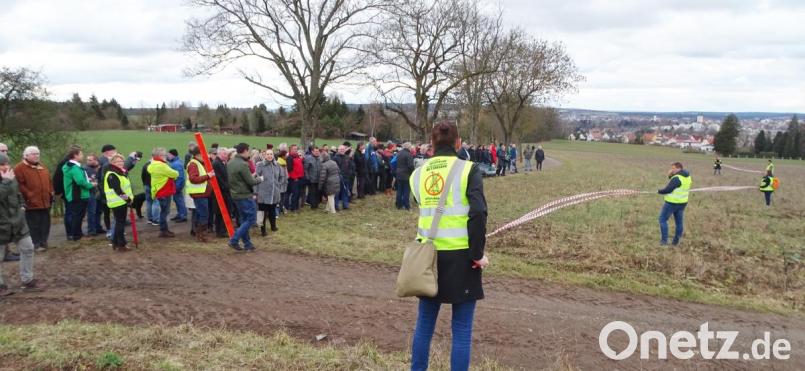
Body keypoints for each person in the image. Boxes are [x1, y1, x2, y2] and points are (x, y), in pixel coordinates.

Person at [408, 122, 488, 371]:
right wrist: (477, 255)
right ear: (458, 142)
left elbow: (421, 204)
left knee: (424, 326)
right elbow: (479, 213)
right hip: (462, 259)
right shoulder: (468, 170)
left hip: (427, 259)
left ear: (431, 144)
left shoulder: (418, 174)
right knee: (462, 330)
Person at [0, 152, 40, 296]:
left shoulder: (11, 178)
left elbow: (18, 194)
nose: (6, 167)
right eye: (2, 164)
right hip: (1, 224)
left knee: (28, 247)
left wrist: (22, 206)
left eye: (6, 164)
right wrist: (5, 182)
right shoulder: (7, 180)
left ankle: (27, 280)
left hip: (17, 222)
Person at [14, 146, 53, 252]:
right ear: (26, 155)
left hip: (45, 201)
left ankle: (43, 242)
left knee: (45, 223)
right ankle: (35, 243)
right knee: (33, 224)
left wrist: (50, 193)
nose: (36, 156)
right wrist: (29, 195)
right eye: (33, 154)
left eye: (37, 153)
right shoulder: (19, 168)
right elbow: (19, 185)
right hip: (31, 203)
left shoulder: (42, 167)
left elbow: (49, 181)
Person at [227, 143, 262, 251]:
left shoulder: (230, 163)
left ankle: (247, 244)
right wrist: (260, 179)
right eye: (248, 151)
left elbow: (238, 179)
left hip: (235, 194)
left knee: (244, 220)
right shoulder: (243, 164)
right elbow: (250, 181)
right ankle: (234, 240)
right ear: (245, 151)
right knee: (251, 219)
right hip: (245, 195)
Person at [62, 148, 96, 242]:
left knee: (79, 216)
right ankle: (76, 236)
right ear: (75, 155)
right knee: (77, 216)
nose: (82, 156)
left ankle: (78, 234)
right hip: (77, 195)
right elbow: (80, 181)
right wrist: (91, 185)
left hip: (80, 195)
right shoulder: (73, 168)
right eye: (81, 154)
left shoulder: (74, 166)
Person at [657, 162, 692, 246]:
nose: (671, 170)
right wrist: (670, 174)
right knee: (679, 223)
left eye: (673, 168)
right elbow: (676, 183)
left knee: (662, 219)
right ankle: (676, 242)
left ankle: (664, 241)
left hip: (672, 203)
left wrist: (659, 191)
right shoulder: (687, 177)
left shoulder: (677, 178)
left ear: (678, 168)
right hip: (682, 203)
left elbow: (668, 189)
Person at [147, 148, 179, 238]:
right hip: (164, 191)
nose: (165, 156)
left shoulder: (153, 164)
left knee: (163, 211)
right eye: (164, 155)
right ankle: (164, 230)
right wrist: (172, 175)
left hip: (159, 191)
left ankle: (164, 229)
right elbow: (175, 174)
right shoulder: (162, 165)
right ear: (159, 156)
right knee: (165, 212)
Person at [186, 146, 215, 242]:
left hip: (202, 193)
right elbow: (193, 179)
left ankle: (199, 234)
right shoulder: (193, 164)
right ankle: (202, 235)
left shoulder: (198, 163)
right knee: (204, 214)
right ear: (199, 154)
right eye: (204, 153)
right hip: (199, 193)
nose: (206, 155)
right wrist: (208, 176)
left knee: (200, 214)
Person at [103, 154, 133, 251]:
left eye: (121, 161)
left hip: (121, 202)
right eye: (117, 161)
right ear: (112, 163)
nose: (120, 163)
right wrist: (128, 199)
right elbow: (118, 191)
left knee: (119, 223)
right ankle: (121, 244)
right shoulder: (112, 174)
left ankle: (115, 242)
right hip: (118, 202)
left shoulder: (120, 172)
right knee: (120, 224)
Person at [255, 150, 284, 235]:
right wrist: (256, 192)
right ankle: (263, 230)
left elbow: (281, 177)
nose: (269, 156)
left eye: (271, 154)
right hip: (263, 193)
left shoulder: (277, 165)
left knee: (272, 210)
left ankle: (273, 226)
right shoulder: (260, 165)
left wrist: (278, 185)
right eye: (267, 154)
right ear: (265, 155)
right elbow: (256, 179)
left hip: (274, 192)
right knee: (263, 212)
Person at [211, 148, 233, 236]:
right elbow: (218, 178)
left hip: (224, 191)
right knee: (220, 212)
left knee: (225, 211)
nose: (226, 156)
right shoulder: (216, 163)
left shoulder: (222, 163)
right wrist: (226, 186)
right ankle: (220, 231)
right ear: (219, 154)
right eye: (224, 154)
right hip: (220, 192)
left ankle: (223, 229)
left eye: (227, 154)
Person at [83, 154, 105, 237]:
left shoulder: (100, 168)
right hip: (91, 192)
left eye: (91, 160)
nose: (88, 161)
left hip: (99, 193)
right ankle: (91, 230)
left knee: (99, 211)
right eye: (88, 160)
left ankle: (98, 227)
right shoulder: (85, 169)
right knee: (91, 212)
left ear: (96, 160)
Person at [167, 149, 188, 223]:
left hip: (177, 185)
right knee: (177, 200)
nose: (167, 156)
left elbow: (180, 177)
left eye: (169, 155)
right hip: (176, 185)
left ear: (173, 155)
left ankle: (183, 215)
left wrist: (177, 187)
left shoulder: (176, 164)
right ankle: (180, 214)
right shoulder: (176, 162)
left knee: (179, 200)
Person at [333, 145, 354, 210]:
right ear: (338, 150)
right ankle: (336, 206)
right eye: (340, 149)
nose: (342, 150)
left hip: (346, 177)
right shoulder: (335, 158)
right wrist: (339, 175)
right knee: (337, 192)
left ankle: (345, 205)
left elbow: (351, 166)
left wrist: (350, 173)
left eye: (343, 149)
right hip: (338, 178)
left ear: (345, 150)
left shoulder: (347, 157)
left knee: (345, 192)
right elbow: (334, 168)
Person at [395, 142, 415, 210]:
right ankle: (406, 205)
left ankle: (398, 204)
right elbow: (410, 166)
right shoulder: (409, 154)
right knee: (406, 191)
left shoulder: (399, 153)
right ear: (409, 147)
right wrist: (412, 172)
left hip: (398, 174)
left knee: (399, 190)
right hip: (406, 175)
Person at [286, 144, 305, 212]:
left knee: (299, 193)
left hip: (300, 178)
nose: (295, 150)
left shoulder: (297, 157)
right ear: (290, 150)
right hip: (294, 179)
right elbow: (289, 170)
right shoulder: (289, 158)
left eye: (296, 149)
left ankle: (297, 207)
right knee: (295, 194)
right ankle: (293, 208)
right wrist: (294, 178)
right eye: (294, 149)